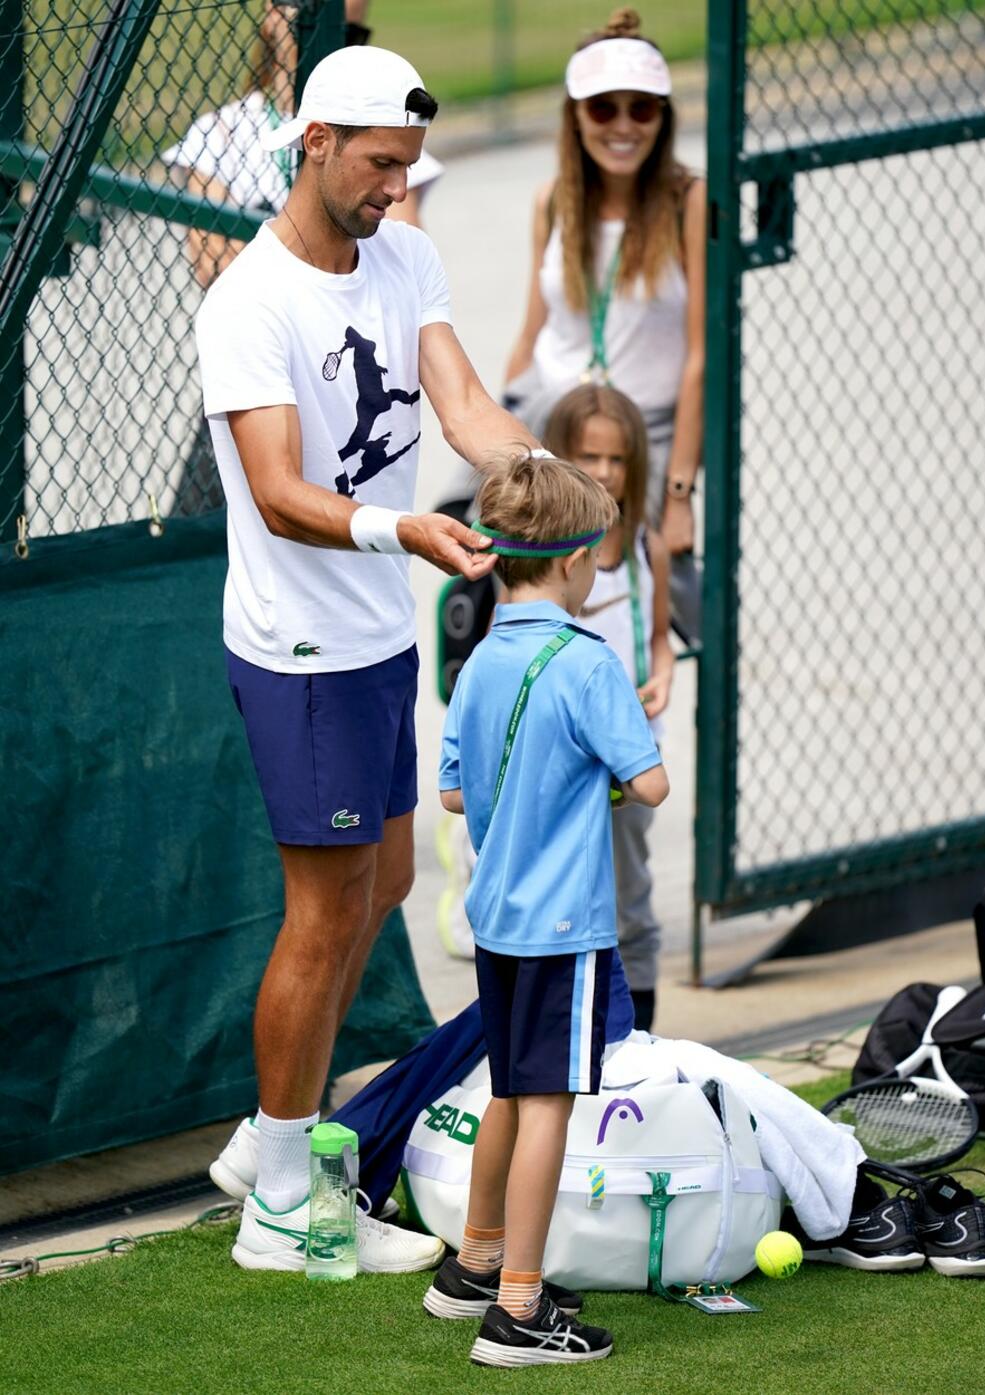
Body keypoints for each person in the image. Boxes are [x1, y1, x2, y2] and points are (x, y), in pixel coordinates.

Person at [196, 43, 545, 1275]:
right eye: (380, 164)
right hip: (298, 648)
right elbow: (282, 493)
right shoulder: (246, 302)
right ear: (315, 145)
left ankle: (271, 1141)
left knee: (385, 884)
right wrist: (405, 528)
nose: (397, 187)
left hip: (376, 634)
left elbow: (458, 401)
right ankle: (280, 1206)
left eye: (408, 166)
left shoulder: (404, 251)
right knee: (322, 908)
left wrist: (532, 472)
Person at [428, 452, 669, 1367]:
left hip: (496, 920)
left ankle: (476, 1264)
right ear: (572, 563)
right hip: (565, 927)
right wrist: (619, 750)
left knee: (509, 1091)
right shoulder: (589, 662)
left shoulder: (482, 657)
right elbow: (648, 783)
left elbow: (455, 795)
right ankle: (520, 1312)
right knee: (549, 1107)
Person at [164, 3, 443, 511]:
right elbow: (212, 261)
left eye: (353, 31)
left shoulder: (389, 130)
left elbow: (401, 240)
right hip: (265, 377)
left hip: (347, 379)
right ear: (273, 18)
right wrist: (312, 248)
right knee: (206, 531)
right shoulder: (224, 131)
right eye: (317, 27)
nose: (339, 43)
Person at [503, 7, 705, 640]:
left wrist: (678, 494)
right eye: (603, 109)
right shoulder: (552, 201)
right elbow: (533, 332)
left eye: (641, 109)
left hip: (643, 433)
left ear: (663, 118)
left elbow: (702, 354)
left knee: (656, 600)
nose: (623, 126)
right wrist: (504, 438)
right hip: (552, 415)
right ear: (575, 117)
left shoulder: (686, 201)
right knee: (483, 551)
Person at [543, 384, 672, 1030]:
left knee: (630, 893)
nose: (603, 472)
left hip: (630, 757)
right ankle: (569, 1024)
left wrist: (664, 677)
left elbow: (658, 638)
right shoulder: (547, 554)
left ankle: (638, 1029)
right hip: (566, 759)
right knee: (567, 895)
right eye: (589, 457)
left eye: (617, 460)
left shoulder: (646, 545)